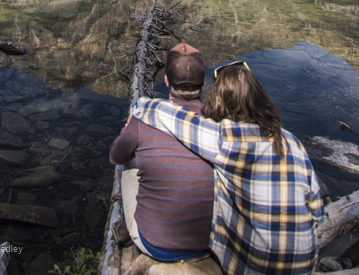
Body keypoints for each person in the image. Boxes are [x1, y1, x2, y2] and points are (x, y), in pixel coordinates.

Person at [133, 60, 325, 275]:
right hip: (303, 266)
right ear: (258, 97)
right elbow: (318, 212)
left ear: (217, 98)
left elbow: (173, 117)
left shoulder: (224, 140)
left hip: (252, 267)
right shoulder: (289, 140)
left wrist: (139, 105)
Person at [109, 43, 218, 270]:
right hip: (207, 244)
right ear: (204, 83)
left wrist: (127, 131)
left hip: (153, 243)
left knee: (128, 164)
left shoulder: (145, 115)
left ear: (167, 81)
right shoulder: (218, 125)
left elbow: (115, 157)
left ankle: (131, 228)